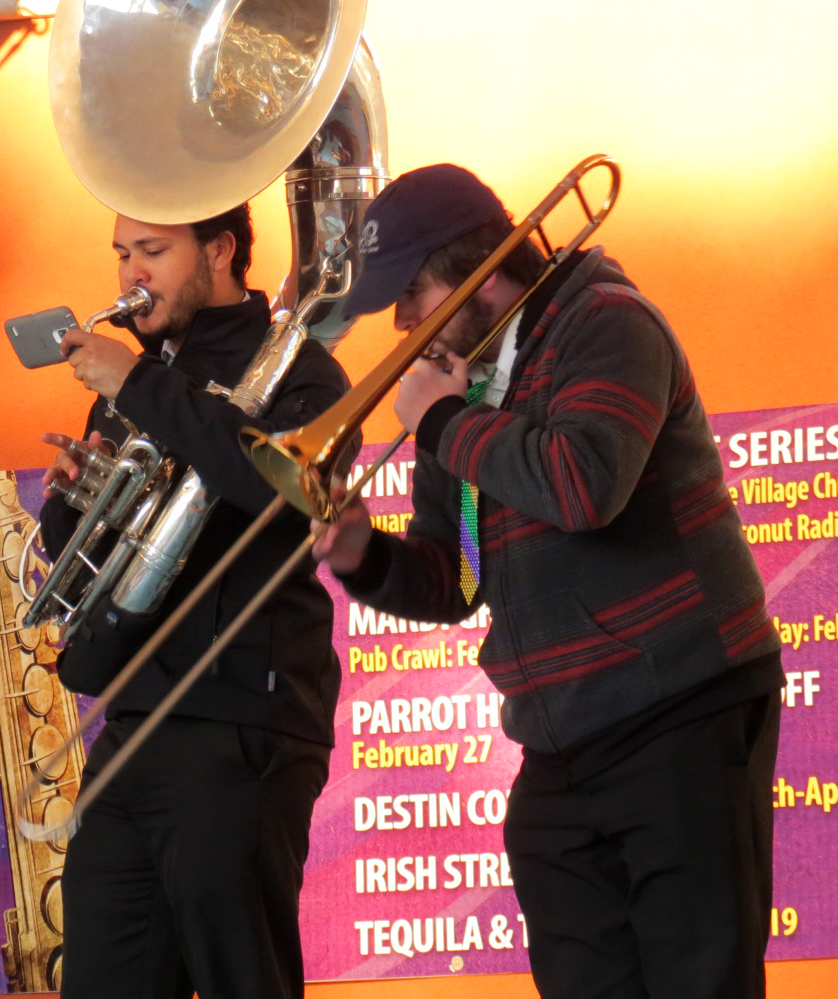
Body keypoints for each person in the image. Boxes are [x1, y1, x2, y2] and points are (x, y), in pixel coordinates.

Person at [313, 164, 784, 998]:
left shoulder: (606, 321)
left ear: (483, 274)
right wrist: (360, 552)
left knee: (700, 978)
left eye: (413, 293)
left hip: (678, 705)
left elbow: (584, 485)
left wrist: (447, 422)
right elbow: (455, 575)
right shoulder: (467, 387)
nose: (406, 323)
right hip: (562, 741)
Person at [37, 205, 353, 999]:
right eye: (120, 255)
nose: (131, 275)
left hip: (241, 713)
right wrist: (75, 504)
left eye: (152, 251)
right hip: (137, 714)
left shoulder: (300, 368)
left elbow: (279, 494)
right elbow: (94, 562)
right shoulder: (134, 380)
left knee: (244, 975)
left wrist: (138, 385)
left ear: (219, 250)